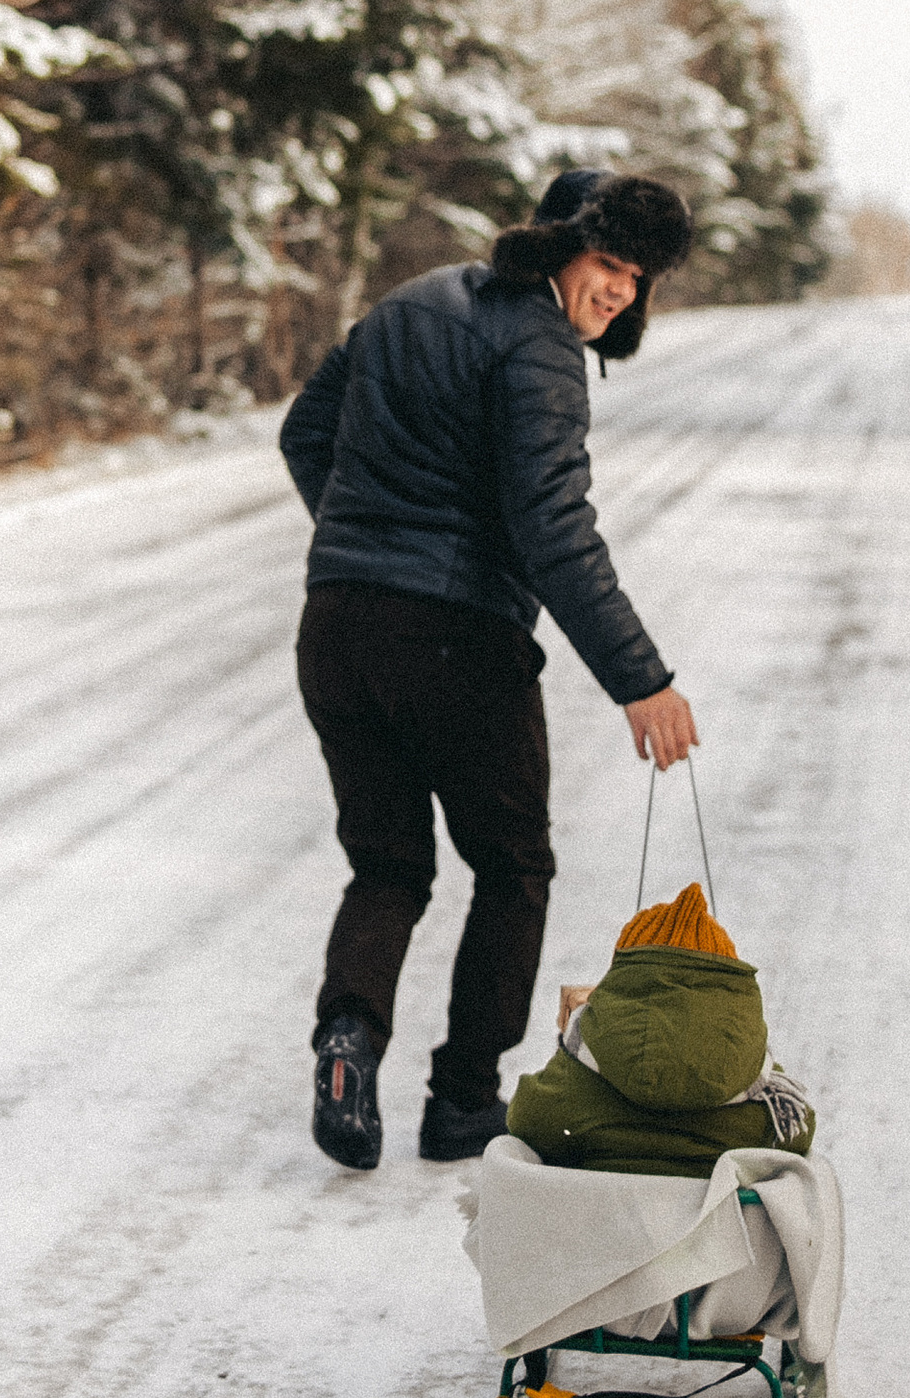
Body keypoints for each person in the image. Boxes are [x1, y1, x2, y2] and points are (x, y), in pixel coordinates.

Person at [278, 167, 698, 1172]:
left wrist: (363, 545)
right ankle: (463, 1100)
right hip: (458, 643)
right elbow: (553, 529)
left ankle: (349, 1043)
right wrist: (640, 679)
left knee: (388, 866)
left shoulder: (412, 301)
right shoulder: (539, 345)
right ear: (557, 245)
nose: (620, 293)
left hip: (336, 628)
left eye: (638, 279)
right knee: (512, 868)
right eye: (608, 265)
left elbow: (305, 433)